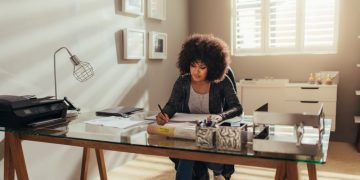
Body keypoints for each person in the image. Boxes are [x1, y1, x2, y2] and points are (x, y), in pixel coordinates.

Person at [156, 34, 243, 180]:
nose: (196, 71)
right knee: (186, 153)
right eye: (193, 66)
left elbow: (237, 107)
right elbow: (172, 104)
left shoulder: (221, 81)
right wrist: (164, 114)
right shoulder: (182, 81)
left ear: (212, 67)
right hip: (189, 132)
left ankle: (217, 171)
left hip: (211, 133)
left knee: (209, 161)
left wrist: (221, 116)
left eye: (202, 67)